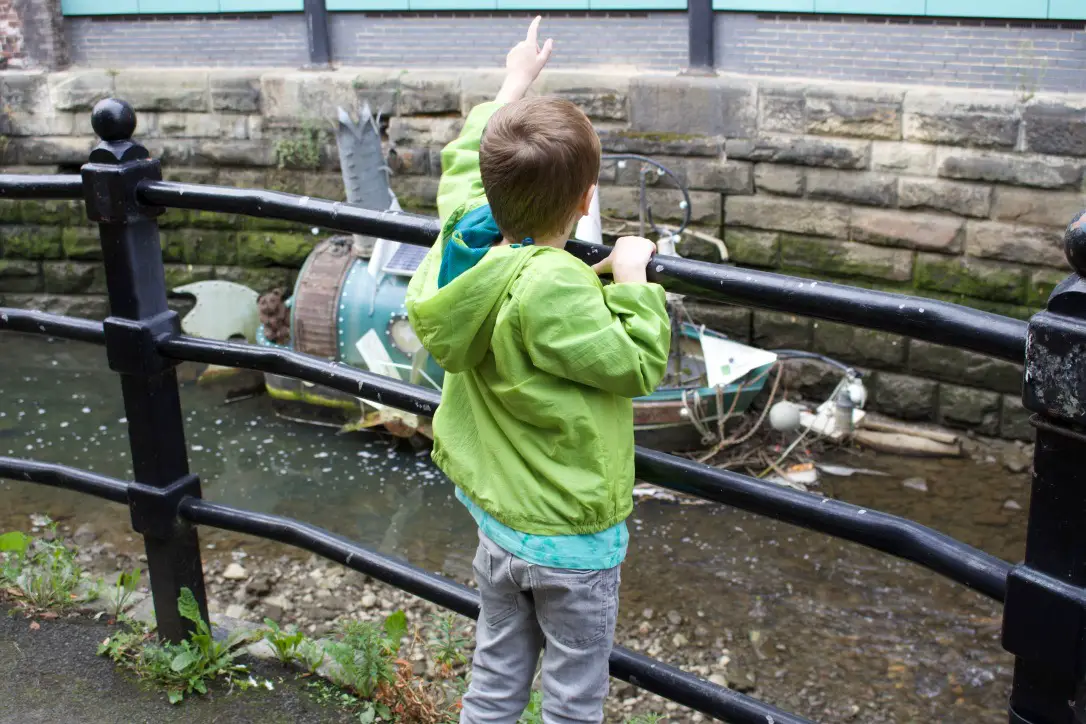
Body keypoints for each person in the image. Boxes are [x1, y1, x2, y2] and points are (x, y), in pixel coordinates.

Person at [406, 17, 671, 724]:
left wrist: (512, 83)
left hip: (499, 523)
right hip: (573, 541)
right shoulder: (557, 287)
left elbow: (464, 163)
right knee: (572, 699)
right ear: (587, 201)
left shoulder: (463, 241)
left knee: (495, 678)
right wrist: (634, 277)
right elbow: (638, 362)